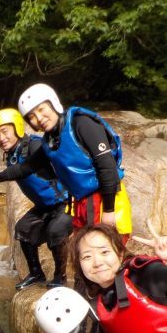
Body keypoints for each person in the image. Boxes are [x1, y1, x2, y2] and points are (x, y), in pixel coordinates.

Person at [16, 83, 132, 243]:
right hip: (81, 202)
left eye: (41, 109)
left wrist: (109, 210)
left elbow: (107, 166)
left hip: (104, 199)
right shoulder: (50, 141)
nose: (39, 118)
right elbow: (25, 168)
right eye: (31, 117)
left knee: (105, 252)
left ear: (53, 103)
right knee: (83, 253)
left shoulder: (81, 123)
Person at [0, 108, 73, 289]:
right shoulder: (12, 153)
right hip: (45, 206)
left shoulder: (34, 146)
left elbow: (23, 169)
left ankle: (61, 276)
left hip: (66, 201)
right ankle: (36, 273)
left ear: (18, 128)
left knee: (55, 231)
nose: (1, 138)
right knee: (23, 230)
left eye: (5, 132)